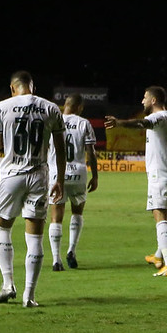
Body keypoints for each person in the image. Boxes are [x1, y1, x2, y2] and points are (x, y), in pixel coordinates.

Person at [0, 71, 66, 307]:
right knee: (35, 237)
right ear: (32, 87)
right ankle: (29, 296)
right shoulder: (51, 108)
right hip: (39, 177)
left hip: (11, 175)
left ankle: (7, 284)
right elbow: (60, 148)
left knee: (3, 230)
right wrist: (59, 179)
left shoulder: (2, 107)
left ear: (13, 88)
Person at [104, 86, 167, 277]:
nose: (142, 101)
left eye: (144, 98)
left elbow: (141, 124)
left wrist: (119, 123)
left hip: (161, 174)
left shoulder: (157, 117)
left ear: (153, 100)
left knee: (160, 218)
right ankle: (159, 256)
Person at [47, 93, 99, 271]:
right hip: (78, 173)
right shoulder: (83, 123)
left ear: (65, 105)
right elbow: (91, 152)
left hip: (56, 173)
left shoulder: (53, 121)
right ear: (80, 108)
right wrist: (96, 175)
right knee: (77, 212)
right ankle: (71, 250)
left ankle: (56, 259)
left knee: (56, 216)